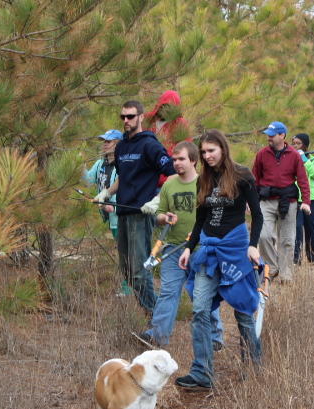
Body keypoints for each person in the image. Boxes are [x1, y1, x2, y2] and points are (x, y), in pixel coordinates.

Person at [175, 130, 264, 390]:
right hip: (209, 253)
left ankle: (254, 368)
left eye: (211, 150)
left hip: (236, 250)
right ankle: (203, 372)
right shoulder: (202, 180)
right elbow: (200, 219)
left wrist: (253, 245)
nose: (207, 156)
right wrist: (189, 249)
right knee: (201, 309)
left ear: (223, 149)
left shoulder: (242, 176)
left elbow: (257, 216)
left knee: (244, 312)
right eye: (203, 152)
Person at [92, 100, 176, 315]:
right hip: (123, 212)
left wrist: (158, 200)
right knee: (127, 271)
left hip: (142, 214)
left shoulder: (150, 145)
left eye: (130, 116)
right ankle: (153, 311)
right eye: (123, 117)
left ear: (140, 117)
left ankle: (156, 316)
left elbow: (173, 172)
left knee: (140, 270)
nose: (126, 121)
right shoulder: (121, 147)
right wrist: (107, 193)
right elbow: (123, 177)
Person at [140, 141, 224, 349]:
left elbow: (217, 216)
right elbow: (159, 214)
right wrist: (163, 218)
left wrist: (200, 233)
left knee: (202, 295)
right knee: (168, 291)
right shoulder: (169, 183)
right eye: (174, 159)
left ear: (194, 160)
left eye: (181, 159)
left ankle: (214, 338)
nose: (176, 163)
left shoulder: (207, 184)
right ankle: (157, 336)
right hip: (173, 249)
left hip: (201, 249)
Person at [252, 121, 310, 282]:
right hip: (266, 201)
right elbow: (254, 179)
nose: (269, 138)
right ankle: (272, 267)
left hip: (288, 201)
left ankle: (286, 274)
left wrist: (306, 201)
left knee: (287, 240)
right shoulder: (262, 154)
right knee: (262, 236)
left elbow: (303, 179)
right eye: (268, 135)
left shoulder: (294, 155)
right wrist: (250, 202)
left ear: (282, 135)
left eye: (272, 135)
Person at [83, 129, 131, 295]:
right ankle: (128, 285)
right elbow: (88, 180)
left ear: (118, 144)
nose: (104, 145)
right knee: (122, 249)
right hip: (109, 215)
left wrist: (113, 207)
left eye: (108, 141)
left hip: (121, 215)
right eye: (103, 141)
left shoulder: (123, 165)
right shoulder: (100, 164)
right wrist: (77, 165)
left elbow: (127, 191)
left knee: (126, 251)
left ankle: (128, 288)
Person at [292, 133, 314, 265]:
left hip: (312, 199)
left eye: (298, 143)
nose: (295, 146)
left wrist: (305, 159)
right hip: (295, 199)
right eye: (293, 143)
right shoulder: (291, 159)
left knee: (311, 228)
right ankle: (296, 258)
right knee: (297, 228)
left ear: (305, 145)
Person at [143, 90, 191, 155]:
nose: (168, 110)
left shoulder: (180, 124)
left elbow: (186, 147)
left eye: (171, 107)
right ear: (161, 105)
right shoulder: (147, 120)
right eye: (166, 106)